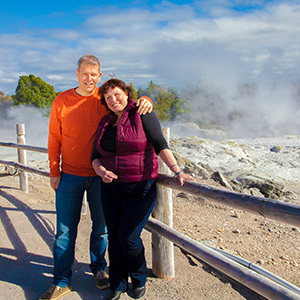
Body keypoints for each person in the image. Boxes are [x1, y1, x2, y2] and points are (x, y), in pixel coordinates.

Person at [40, 55, 153, 300]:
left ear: (99, 76)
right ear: (77, 73)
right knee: (64, 231)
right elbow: (54, 138)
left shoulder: (104, 100)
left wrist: (145, 99)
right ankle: (61, 280)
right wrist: (54, 171)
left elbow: (127, 106)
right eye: (84, 73)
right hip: (69, 174)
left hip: (101, 177)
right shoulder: (62, 100)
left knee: (101, 228)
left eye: (94, 74)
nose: (89, 78)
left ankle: (99, 270)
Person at [91, 79, 195, 300]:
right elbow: (95, 157)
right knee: (115, 238)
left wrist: (177, 171)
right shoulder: (104, 123)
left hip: (140, 187)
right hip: (110, 189)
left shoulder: (142, 113)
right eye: (108, 97)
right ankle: (117, 283)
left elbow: (160, 143)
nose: (113, 100)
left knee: (129, 237)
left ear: (127, 94)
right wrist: (101, 171)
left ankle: (138, 278)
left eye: (116, 94)